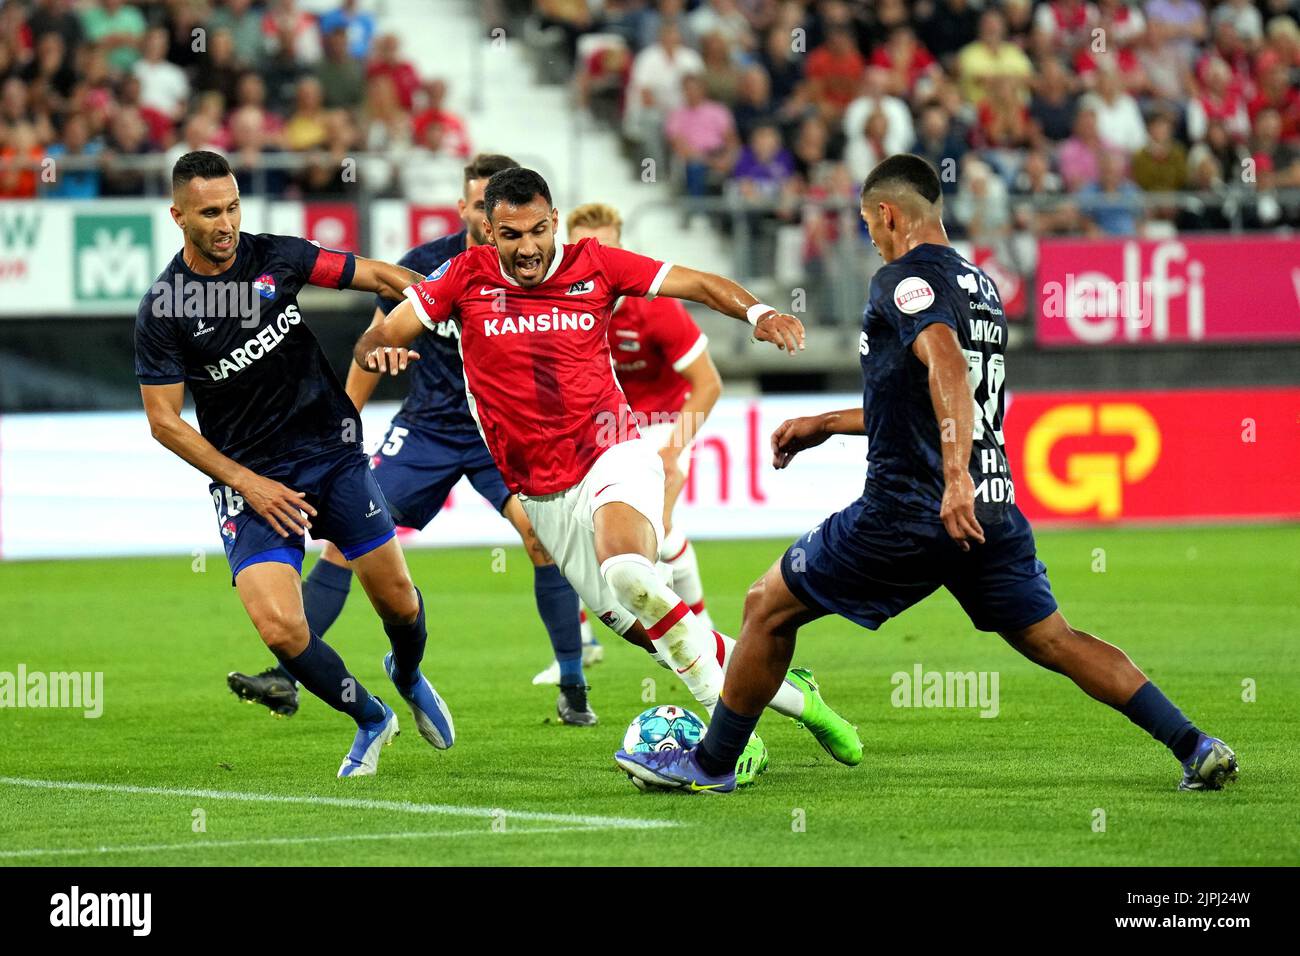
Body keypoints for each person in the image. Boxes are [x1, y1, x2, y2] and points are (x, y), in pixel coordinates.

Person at [616, 154, 1238, 795]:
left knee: (766, 607)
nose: (870, 236)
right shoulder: (980, 284)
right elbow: (935, 395)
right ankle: (1195, 744)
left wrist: (951, 479)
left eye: (867, 223)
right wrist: (829, 422)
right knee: (1056, 639)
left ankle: (712, 765)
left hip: (913, 508)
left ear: (887, 214)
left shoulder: (901, 280)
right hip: (990, 507)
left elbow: (942, 362)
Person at [354, 168, 863, 785]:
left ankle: (732, 744)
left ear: (555, 221)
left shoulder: (596, 264)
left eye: (540, 229)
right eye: (512, 234)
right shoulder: (463, 278)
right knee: (646, 625)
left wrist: (756, 311)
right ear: (489, 231)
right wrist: (376, 348)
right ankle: (790, 690)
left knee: (631, 572)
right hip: (541, 493)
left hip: (612, 453)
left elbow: (697, 282)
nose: (529, 247)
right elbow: (385, 330)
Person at [227, 154, 599, 727]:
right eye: (478, 206)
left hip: (501, 429)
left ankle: (572, 684)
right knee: (344, 543)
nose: (485, 217)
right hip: (425, 431)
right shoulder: (425, 266)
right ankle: (288, 674)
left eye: (493, 208)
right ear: (467, 208)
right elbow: (374, 339)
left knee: (538, 537)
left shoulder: (534, 268)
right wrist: (345, 420)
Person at [135, 151, 454, 778]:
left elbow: (380, 277)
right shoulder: (164, 309)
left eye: (231, 208)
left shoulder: (278, 255)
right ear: (178, 216)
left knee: (398, 604)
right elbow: (164, 421)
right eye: (209, 213)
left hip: (329, 453)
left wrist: (408, 321)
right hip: (250, 477)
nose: (225, 223)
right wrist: (247, 483)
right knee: (281, 628)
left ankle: (409, 673)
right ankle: (370, 717)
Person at [530, 202, 722, 685]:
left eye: (608, 247)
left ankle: (703, 633)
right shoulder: (554, 305)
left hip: (658, 422)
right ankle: (580, 646)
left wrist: (674, 449)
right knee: (569, 532)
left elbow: (708, 384)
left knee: (660, 533)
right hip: (597, 428)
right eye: (586, 247)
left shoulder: (652, 305)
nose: (598, 258)